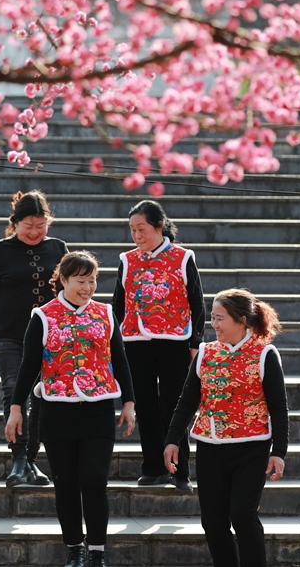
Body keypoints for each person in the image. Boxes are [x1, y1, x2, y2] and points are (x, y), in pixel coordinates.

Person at [5, 251, 135, 567]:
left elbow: (119, 358)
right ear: (63, 280)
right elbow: (29, 364)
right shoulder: (43, 316)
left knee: (94, 482)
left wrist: (129, 403)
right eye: (81, 281)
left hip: (98, 410)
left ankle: (97, 553)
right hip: (57, 412)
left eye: (92, 280)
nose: (88, 287)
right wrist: (16, 407)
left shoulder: (105, 313)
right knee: (66, 484)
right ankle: (75, 549)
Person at [164, 288, 289, 567]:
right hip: (210, 446)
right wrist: (172, 440)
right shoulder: (206, 353)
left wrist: (278, 451)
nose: (214, 324)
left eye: (221, 318)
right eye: (213, 318)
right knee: (212, 521)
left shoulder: (264, 354)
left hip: (252, 448)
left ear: (242, 320)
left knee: (243, 516)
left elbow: (279, 408)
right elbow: (187, 402)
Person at [0, 190, 68, 487]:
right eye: (28, 225)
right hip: (11, 335)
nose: (35, 232)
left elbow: (71, 290)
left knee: (42, 397)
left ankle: (30, 459)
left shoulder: (58, 248)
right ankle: (17, 459)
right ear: (14, 222)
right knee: (14, 390)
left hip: (51, 336)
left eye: (41, 225)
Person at [111, 200, 205, 494]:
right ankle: (152, 467)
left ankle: (180, 471)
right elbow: (117, 305)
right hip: (135, 342)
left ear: (159, 226)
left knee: (175, 406)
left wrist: (195, 344)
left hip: (175, 341)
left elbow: (197, 303)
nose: (137, 235)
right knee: (146, 406)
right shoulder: (127, 260)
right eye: (132, 230)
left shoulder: (182, 257)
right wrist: (114, 345)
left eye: (142, 229)